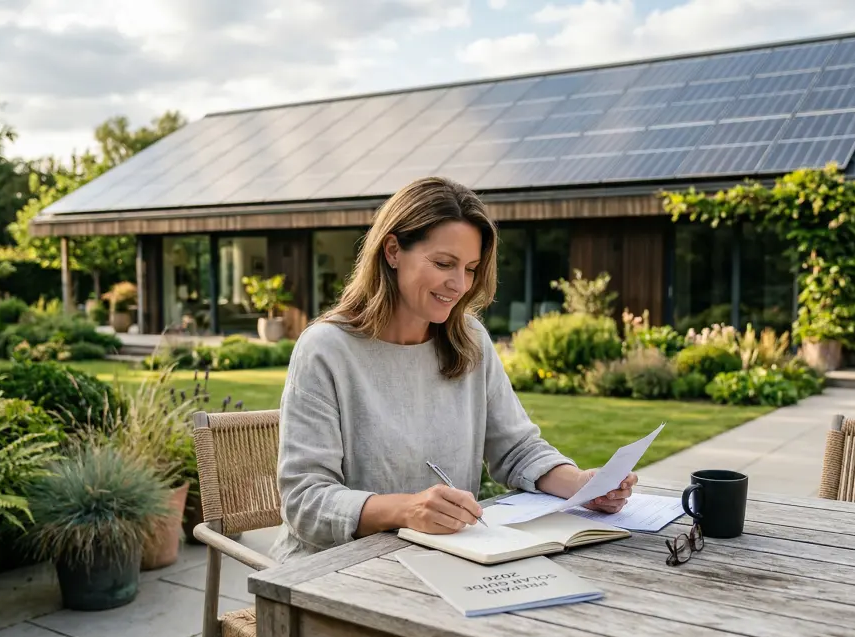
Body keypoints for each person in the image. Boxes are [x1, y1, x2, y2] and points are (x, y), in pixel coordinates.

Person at [270, 176, 638, 567]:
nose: (459, 284)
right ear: (392, 251)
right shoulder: (326, 349)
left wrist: (582, 485)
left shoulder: (469, 340)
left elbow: (517, 448)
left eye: (471, 268)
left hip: (448, 560)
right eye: (444, 264)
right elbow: (305, 500)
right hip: (334, 569)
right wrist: (406, 510)